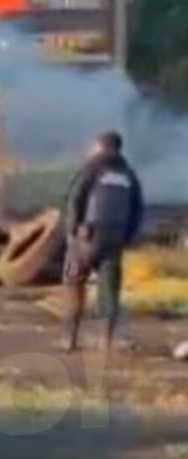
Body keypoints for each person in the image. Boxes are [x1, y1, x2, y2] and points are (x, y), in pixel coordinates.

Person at [62, 130, 145, 353]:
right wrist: (127, 237)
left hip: (87, 237)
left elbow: (74, 199)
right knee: (109, 291)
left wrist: (71, 233)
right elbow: (137, 211)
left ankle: (71, 340)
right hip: (115, 239)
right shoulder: (129, 175)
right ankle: (106, 342)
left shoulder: (91, 169)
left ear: (100, 146)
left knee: (74, 283)